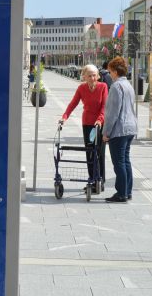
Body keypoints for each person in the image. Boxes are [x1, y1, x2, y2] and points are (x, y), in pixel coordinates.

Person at [59, 64, 108, 192]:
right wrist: (64, 117)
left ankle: (100, 180)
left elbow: (104, 107)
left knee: (99, 152)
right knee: (90, 152)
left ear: (97, 76)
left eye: (94, 75)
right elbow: (73, 103)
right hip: (87, 124)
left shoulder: (103, 87)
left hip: (100, 125)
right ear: (84, 76)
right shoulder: (81, 88)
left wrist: (100, 120)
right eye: (89, 75)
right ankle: (92, 179)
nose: (92, 78)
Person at [102, 56, 138, 203]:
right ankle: (128, 191)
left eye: (110, 71)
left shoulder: (116, 87)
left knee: (119, 163)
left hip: (119, 129)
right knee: (126, 161)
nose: (109, 74)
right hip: (130, 128)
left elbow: (112, 112)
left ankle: (121, 193)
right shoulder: (128, 85)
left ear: (116, 72)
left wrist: (106, 132)